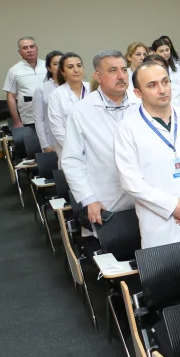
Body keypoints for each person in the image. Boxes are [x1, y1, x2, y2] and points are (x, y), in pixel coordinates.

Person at [115, 61, 180, 248]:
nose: (162, 90)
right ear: (138, 93)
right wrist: (172, 206)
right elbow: (130, 180)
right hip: (159, 221)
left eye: (165, 82)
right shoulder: (128, 128)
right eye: (152, 85)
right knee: (167, 274)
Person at [61, 50, 140, 231]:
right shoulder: (81, 111)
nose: (121, 76)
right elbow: (72, 160)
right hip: (107, 198)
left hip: (144, 197)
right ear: (98, 76)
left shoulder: (141, 103)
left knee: (151, 253)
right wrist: (89, 199)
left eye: (124, 70)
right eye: (112, 71)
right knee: (115, 253)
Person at [47, 52, 86, 158]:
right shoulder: (56, 95)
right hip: (70, 151)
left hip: (96, 149)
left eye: (79, 66)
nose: (76, 70)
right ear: (63, 72)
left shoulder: (94, 89)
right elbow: (57, 128)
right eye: (70, 67)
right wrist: (77, 149)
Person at [4, 36, 47, 128]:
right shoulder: (14, 71)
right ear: (20, 52)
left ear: (37, 48)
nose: (29, 50)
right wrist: (17, 121)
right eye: (25, 48)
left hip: (50, 116)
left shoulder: (48, 66)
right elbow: (10, 97)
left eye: (32, 46)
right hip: (28, 119)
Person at [32, 50, 63, 153]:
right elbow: (39, 119)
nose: (60, 66)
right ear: (49, 68)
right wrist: (45, 144)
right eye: (55, 64)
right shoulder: (41, 89)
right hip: (52, 138)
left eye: (62, 63)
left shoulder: (74, 87)